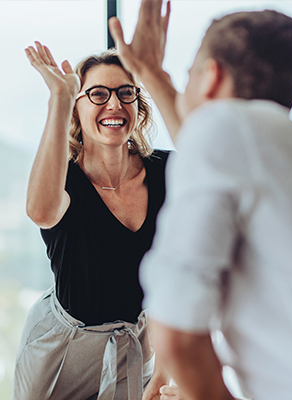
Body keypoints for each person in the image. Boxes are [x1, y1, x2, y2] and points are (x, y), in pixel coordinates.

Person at [109, 1, 292, 399]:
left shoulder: (226, 127)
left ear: (211, 76)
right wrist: (152, 73)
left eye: (187, 76)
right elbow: (209, 142)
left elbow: (176, 330)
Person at [13, 41, 173, 400]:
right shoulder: (62, 179)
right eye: (98, 94)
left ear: (137, 105)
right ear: (76, 109)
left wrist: (163, 374)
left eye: (125, 93)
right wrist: (60, 97)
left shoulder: (167, 171)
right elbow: (41, 212)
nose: (114, 104)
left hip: (134, 344)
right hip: (61, 349)